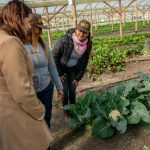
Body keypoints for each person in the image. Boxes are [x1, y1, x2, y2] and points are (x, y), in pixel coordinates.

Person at [0, 1, 51, 150]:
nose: (29, 27)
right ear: (18, 18)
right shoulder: (10, 43)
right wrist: (39, 110)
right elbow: (21, 90)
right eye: (28, 22)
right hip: (17, 115)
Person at [24, 13, 63, 129]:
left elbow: (52, 67)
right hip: (31, 92)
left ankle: (47, 145)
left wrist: (59, 86)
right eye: (38, 28)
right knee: (33, 121)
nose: (41, 31)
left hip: (46, 89)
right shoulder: (21, 46)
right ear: (30, 27)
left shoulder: (44, 45)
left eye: (41, 28)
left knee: (46, 117)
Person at [53, 20, 92, 118]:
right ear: (75, 30)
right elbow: (54, 56)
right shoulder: (64, 39)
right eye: (80, 30)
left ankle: (73, 109)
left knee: (72, 90)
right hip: (63, 70)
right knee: (65, 91)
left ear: (88, 34)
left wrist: (78, 77)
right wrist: (60, 73)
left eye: (85, 32)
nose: (81, 34)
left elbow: (84, 61)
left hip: (74, 70)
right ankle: (66, 110)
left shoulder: (88, 44)